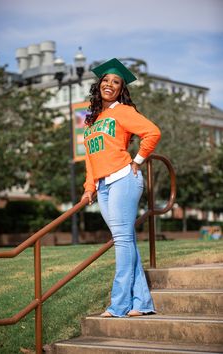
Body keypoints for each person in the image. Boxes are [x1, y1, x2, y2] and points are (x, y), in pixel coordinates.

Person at [81, 58, 161, 318]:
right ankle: (142, 302)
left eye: (116, 82)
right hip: (103, 186)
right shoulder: (92, 121)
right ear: (99, 84)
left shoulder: (123, 111)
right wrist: (88, 187)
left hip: (124, 179)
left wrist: (138, 160)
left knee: (122, 241)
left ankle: (118, 304)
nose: (109, 84)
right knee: (126, 241)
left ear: (120, 89)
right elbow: (90, 158)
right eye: (106, 80)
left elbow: (152, 132)